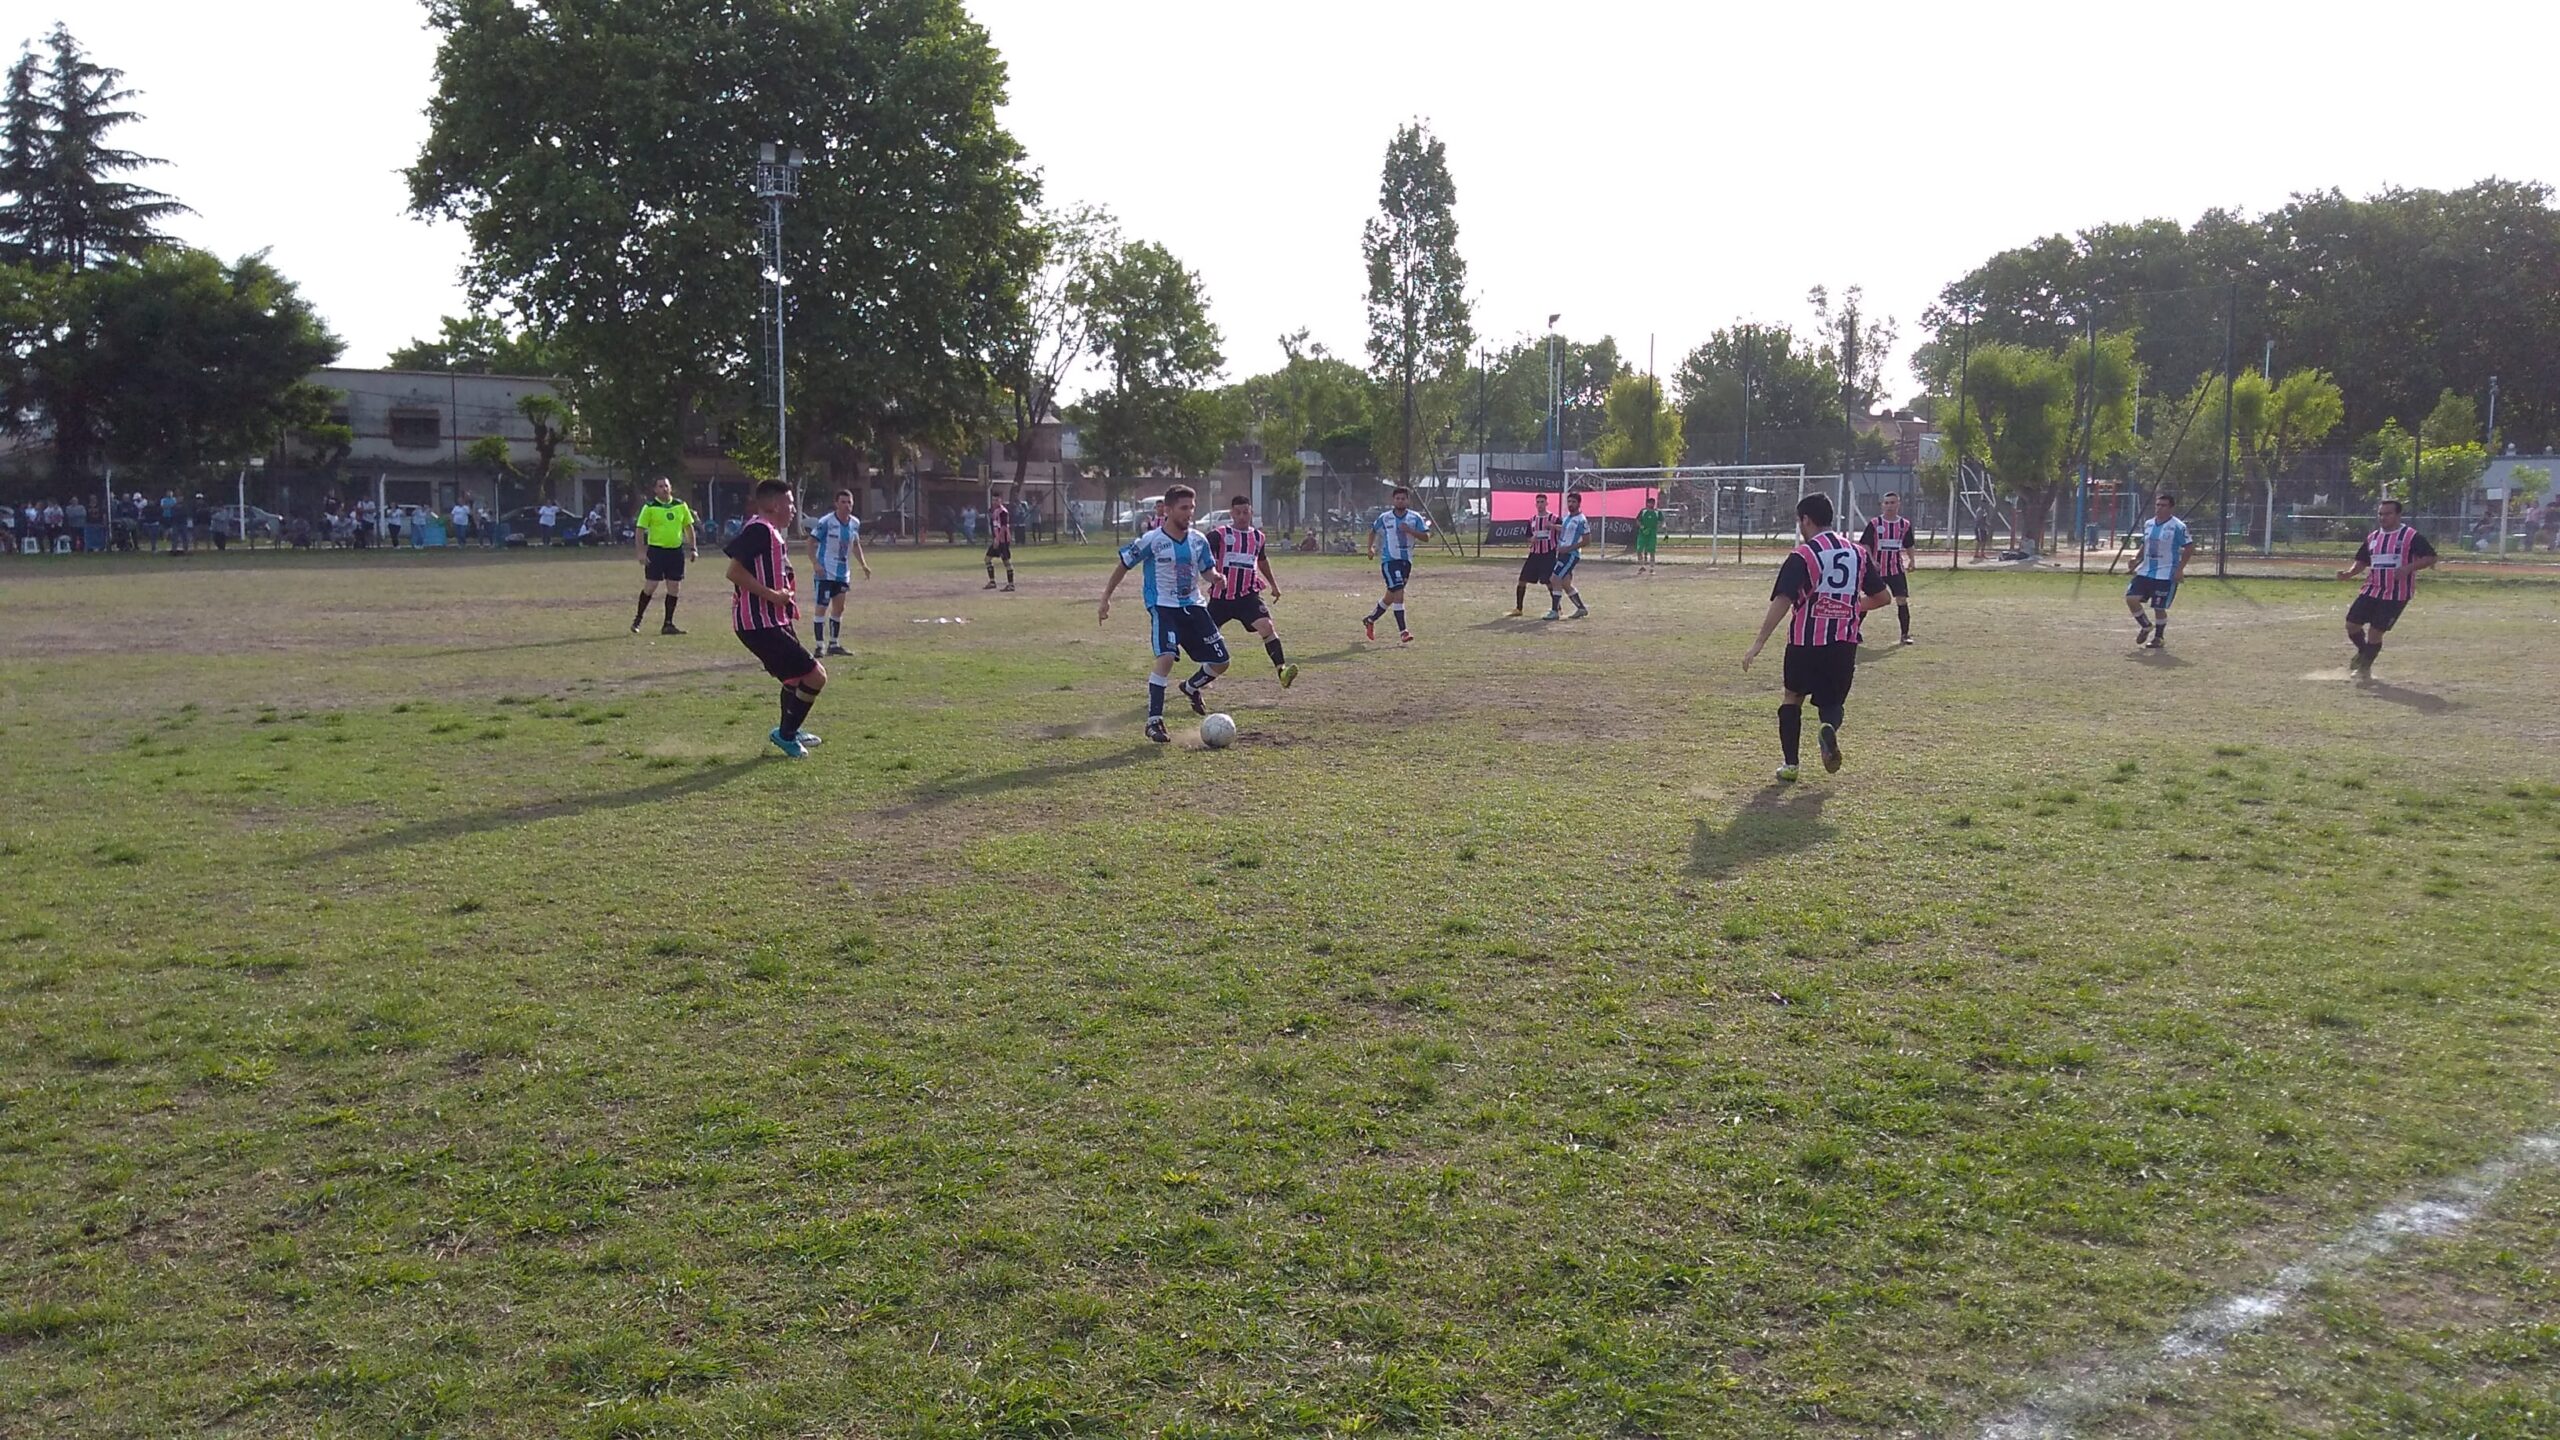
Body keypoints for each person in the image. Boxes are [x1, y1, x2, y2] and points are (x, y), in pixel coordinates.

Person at [1743, 493, 1892, 782]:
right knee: (1832, 704)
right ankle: (1829, 730)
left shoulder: (1803, 555)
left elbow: (1783, 599)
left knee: (1792, 697)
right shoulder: (1858, 553)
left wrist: (1759, 641)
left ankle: (1791, 765)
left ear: (1806, 520)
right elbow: (1883, 597)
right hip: (1843, 643)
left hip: (1805, 642)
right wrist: (1850, 605)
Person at [1098, 483, 1228, 745]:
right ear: (1168, 510)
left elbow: (1206, 569)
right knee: (1166, 657)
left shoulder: (1198, 540)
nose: (1189, 513)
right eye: (1183, 508)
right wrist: (1105, 598)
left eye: (1192, 508)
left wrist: (1215, 577)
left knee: (1221, 661)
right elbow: (1124, 565)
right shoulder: (1152, 540)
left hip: (1194, 606)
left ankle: (1190, 687)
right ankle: (1154, 721)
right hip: (1163, 606)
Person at [723, 478, 827, 758]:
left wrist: (785, 602)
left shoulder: (771, 532)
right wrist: (773, 596)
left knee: (794, 679)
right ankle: (786, 735)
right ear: (773, 504)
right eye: (789, 503)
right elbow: (734, 572)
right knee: (816, 676)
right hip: (759, 623)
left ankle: (790, 729)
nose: (793, 509)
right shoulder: (759, 530)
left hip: (773, 619)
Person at [2337, 497, 2438, 680]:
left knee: (2375, 632)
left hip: (2396, 594)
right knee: (2352, 625)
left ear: (2398, 515)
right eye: (2380, 514)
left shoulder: (2410, 536)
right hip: (2372, 589)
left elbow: (2430, 557)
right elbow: (2362, 561)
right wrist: (2349, 573)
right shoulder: (2373, 537)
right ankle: (2364, 652)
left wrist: (2408, 568)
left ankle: (2364, 669)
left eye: (2388, 514)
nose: (2383, 518)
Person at [1207, 493, 1299, 688]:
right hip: (1221, 597)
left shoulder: (1258, 537)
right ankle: (1204, 674)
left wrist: (1274, 585)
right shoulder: (1219, 534)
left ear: (1251, 513)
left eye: (1245, 512)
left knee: (1267, 627)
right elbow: (1202, 553)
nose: (1242, 516)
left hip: (1247, 596)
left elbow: (1262, 561)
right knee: (1206, 636)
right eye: (1238, 512)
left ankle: (1282, 671)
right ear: (1231, 513)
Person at [2121, 491, 2192, 649]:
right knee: (2131, 598)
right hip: (2146, 571)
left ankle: (2158, 638)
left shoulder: (2178, 527)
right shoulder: (2149, 524)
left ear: (2171, 508)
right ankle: (2146, 626)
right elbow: (2145, 544)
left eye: (2163, 505)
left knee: (2158, 607)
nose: (2159, 508)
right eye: (2157, 505)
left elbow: (2188, 548)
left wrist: (2180, 569)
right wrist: (2136, 558)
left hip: (2165, 573)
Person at [806, 488, 870, 657]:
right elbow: (810, 542)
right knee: (821, 607)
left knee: (839, 608)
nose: (847, 505)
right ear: (836, 503)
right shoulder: (826, 522)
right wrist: (815, 563)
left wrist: (863, 565)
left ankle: (834, 644)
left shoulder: (854, 523)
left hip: (843, 573)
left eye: (849, 502)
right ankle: (819, 646)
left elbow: (855, 544)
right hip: (825, 572)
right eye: (843, 502)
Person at [1363, 485, 1431, 643]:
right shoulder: (1385, 517)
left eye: (1403, 498)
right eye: (1397, 498)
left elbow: (1426, 537)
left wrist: (1410, 531)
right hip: (1390, 560)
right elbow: (1373, 531)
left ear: (1408, 500)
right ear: (1393, 500)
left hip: (1406, 561)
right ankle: (1403, 631)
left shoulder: (1415, 517)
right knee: (1399, 593)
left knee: (1391, 596)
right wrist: (1370, 548)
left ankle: (1370, 619)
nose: (1400, 501)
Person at [630, 478, 699, 634]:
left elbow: (688, 527)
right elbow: (640, 530)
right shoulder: (650, 507)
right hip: (657, 551)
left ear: (670, 488)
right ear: (655, 490)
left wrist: (693, 548)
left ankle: (668, 624)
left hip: (675, 552)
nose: (664, 489)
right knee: (651, 586)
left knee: (674, 587)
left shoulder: (680, 505)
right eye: (660, 486)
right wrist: (641, 552)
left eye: (666, 486)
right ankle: (638, 619)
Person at [1857, 490, 1918, 645]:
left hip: (1895, 569)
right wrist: (1872, 561)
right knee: (1868, 599)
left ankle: (1905, 635)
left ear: (1898, 504)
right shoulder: (1875, 523)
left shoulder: (1904, 525)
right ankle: (1854, 631)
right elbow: (1865, 544)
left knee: (1902, 599)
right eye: (1886, 503)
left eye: (1892, 503)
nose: (1889, 506)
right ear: (1882, 505)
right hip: (1876, 570)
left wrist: (1912, 560)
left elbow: (1909, 544)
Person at [1545, 490, 1591, 621]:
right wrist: (1553, 526)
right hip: (1562, 553)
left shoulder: (1581, 520)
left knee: (1554, 579)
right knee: (1565, 583)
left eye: (1573, 502)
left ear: (1579, 503)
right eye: (1569, 501)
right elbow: (1565, 529)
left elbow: (1587, 540)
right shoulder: (1567, 517)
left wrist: (1568, 549)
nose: (1570, 504)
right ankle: (1581, 608)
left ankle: (1555, 611)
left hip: (1570, 555)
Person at [1510, 493, 1557, 616]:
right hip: (1534, 554)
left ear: (1547, 503)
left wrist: (1552, 526)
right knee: (1522, 580)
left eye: (1542, 502)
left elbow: (1564, 529)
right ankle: (1519, 608)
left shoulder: (1554, 518)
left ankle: (1557, 608)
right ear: (1535, 504)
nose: (1540, 504)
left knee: (1549, 582)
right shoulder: (1532, 520)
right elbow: (1528, 536)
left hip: (1548, 554)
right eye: (1538, 502)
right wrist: (1531, 539)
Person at [983, 494, 1015, 591]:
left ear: (1001, 500)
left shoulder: (1003, 512)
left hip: (1002, 540)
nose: (994, 502)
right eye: (993, 500)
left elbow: (1004, 527)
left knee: (1006, 561)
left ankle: (1011, 585)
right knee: (987, 559)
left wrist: (998, 539)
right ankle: (992, 582)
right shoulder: (995, 512)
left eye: (996, 500)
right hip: (997, 540)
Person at [1634, 493, 1663, 573]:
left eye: (1653, 503)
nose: (1652, 504)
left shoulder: (1657, 512)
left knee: (1652, 551)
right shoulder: (1643, 511)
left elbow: (1662, 521)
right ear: (1647, 503)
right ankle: (1641, 566)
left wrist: (1662, 526)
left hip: (1652, 534)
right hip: (1642, 534)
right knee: (1639, 550)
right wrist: (1642, 527)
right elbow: (1637, 520)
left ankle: (1652, 568)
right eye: (1650, 503)